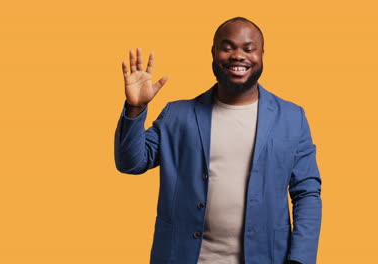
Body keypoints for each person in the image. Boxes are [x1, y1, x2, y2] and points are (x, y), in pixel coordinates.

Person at [115, 17, 322, 264]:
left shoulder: (291, 117)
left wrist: (300, 259)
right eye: (227, 47)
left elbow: (307, 193)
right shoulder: (177, 115)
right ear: (213, 53)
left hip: (267, 257)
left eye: (248, 48)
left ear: (262, 54)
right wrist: (135, 109)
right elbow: (131, 163)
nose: (238, 55)